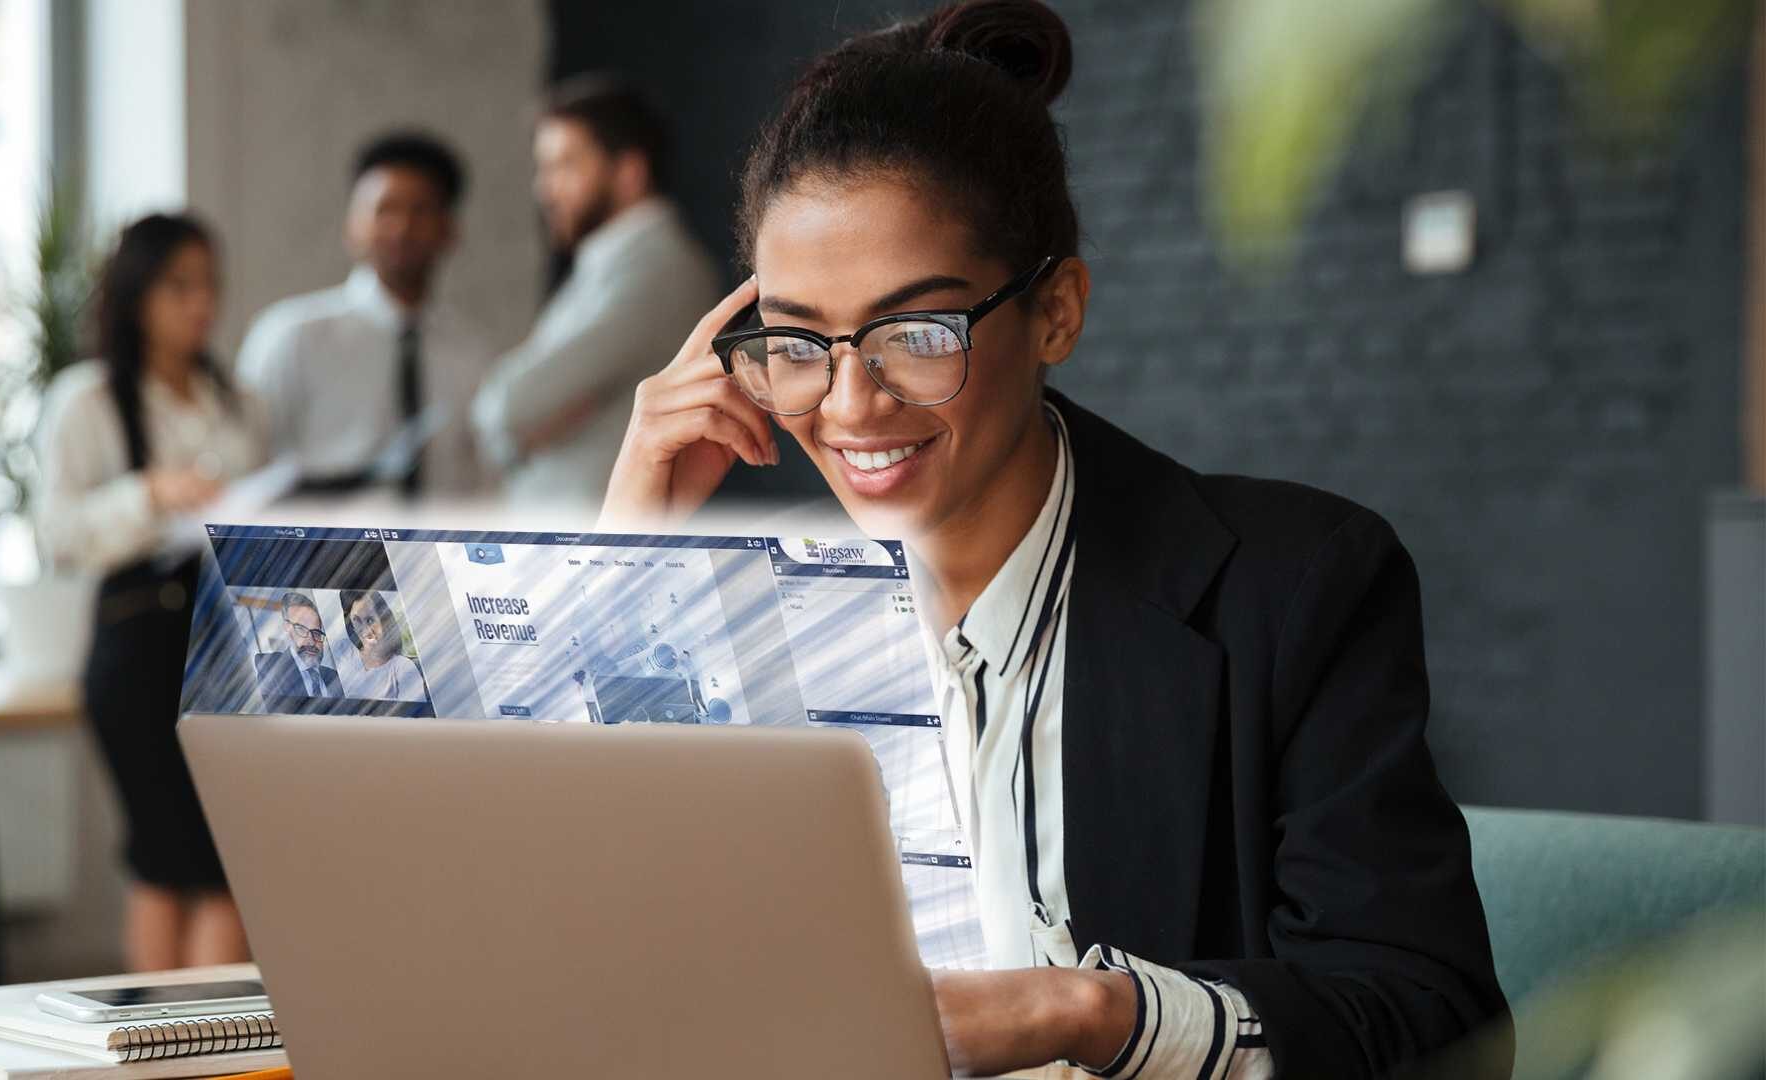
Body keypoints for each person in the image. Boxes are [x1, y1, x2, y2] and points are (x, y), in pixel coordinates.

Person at [597, 2, 1512, 1077]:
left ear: (1057, 313)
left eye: (916, 333)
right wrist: (622, 559)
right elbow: (583, 971)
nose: (850, 405)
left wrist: (1085, 1013)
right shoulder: (747, 621)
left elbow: (1435, 1025)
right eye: (799, 341)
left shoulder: (1294, 588)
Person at [36, 213, 265, 972]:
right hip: (137, 651)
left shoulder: (234, 402)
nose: (202, 305)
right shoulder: (88, 399)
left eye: (209, 287)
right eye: (180, 286)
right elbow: (57, 534)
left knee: (221, 858)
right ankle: (175, 1051)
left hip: (222, 652)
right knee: (172, 859)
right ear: (136, 295)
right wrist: (150, 493)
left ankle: (192, 1052)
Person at [468, 76, 718, 509]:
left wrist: (527, 431)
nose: (543, 189)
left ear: (630, 172)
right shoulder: (615, 261)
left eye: (564, 165)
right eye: (543, 168)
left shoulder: (654, 267)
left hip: (595, 541)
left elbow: (508, 408)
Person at [239, 131, 487, 496]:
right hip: (321, 550)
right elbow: (247, 472)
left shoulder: (472, 355)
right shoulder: (291, 335)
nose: (402, 228)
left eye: (420, 210)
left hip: (438, 550)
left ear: (449, 230)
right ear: (351, 225)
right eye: (384, 210)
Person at [252, 592, 345, 703]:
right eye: (301, 629)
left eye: (316, 633)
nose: (311, 641)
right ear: (287, 628)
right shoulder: (271, 667)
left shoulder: (335, 677)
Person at [338, 589, 430, 702]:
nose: (366, 631)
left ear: (384, 620)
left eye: (370, 620)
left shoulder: (402, 667)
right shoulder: (345, 658)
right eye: (357, 622)